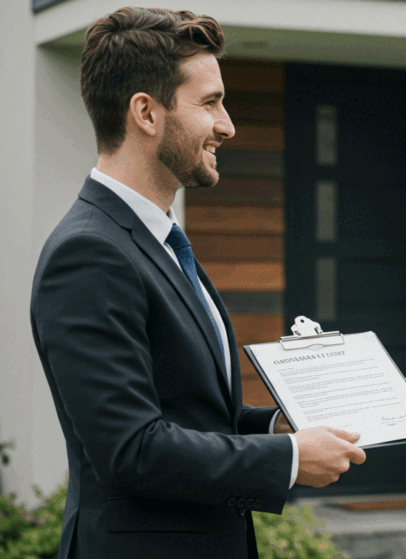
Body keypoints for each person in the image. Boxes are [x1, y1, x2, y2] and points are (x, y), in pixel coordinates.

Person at [30, 8, 374, 559]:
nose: (228, 125)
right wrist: (287, 461)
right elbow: (130, 449)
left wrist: (283, 426)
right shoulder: (88, 253)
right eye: (210, 102)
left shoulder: (161, 243)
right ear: (146, 112)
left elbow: (191, 414)